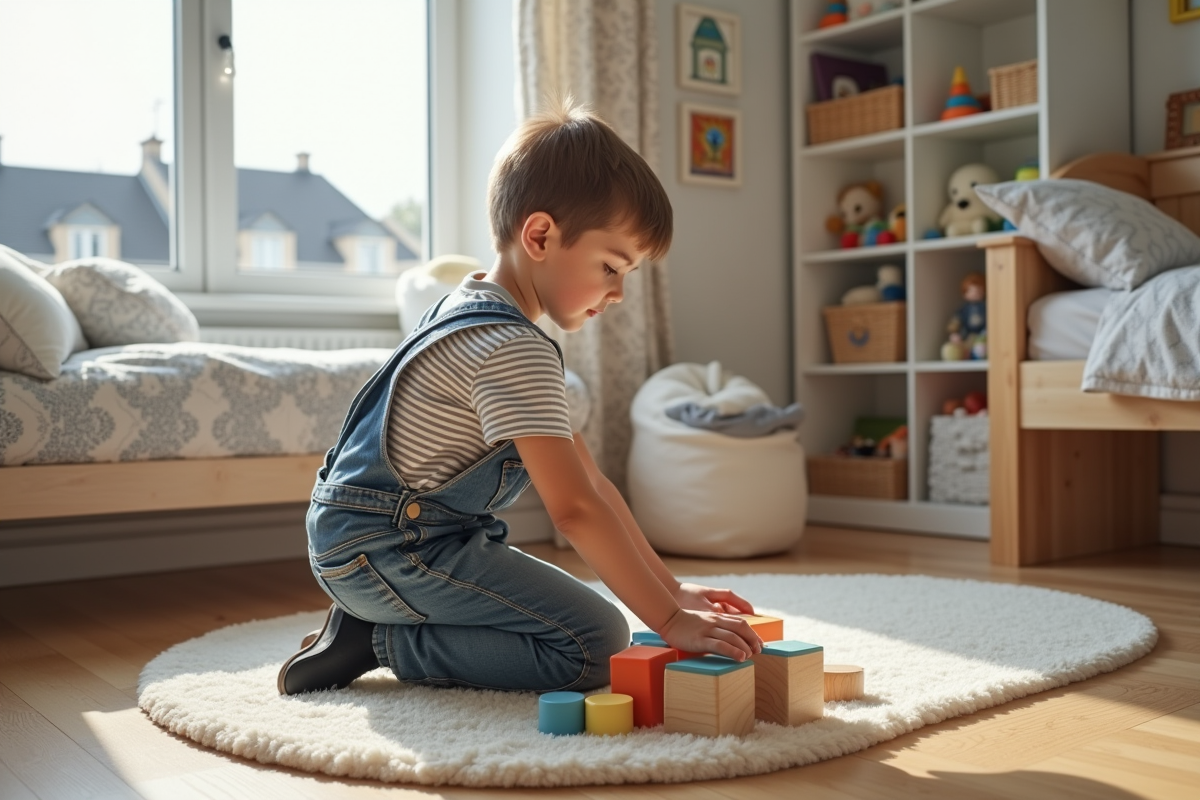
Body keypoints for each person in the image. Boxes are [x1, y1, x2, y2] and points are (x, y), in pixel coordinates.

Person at [278, 97, 763, 697]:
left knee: (580, 621)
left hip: (385, 540)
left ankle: (382, 618)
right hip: (385, 550)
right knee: (594, 644)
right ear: (540, 235)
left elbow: (594, 487)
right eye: (611, 267)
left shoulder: (474, 308)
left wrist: (671, 590)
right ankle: (376, 639)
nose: (618, 294)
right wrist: (666, 622)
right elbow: (575, 512)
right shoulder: (512, 348)